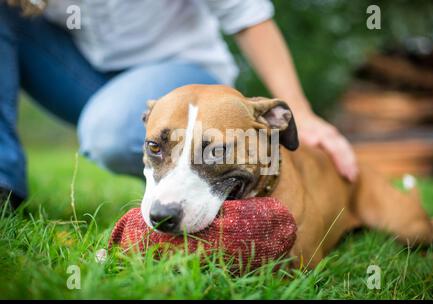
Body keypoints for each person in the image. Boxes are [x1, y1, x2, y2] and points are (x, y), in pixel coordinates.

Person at [0, 0, 358, 208]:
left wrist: (300, 110)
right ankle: (4, 185)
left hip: (181, 72)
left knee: (109, 130)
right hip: (83, 75)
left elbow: (247, 15)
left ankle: (191, 182)